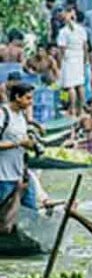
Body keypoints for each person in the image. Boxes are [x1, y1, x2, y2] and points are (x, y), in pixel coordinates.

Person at [0, 83, 42, 232]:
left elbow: (22, 140)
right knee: (3, 214)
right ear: (17, 97)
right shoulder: (2, 114)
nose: (31, 102)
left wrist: (30, 144)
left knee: (31, 211)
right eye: (28, 98)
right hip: (3, 176)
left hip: (20, 173)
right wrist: (18, 143)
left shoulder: (22, 116)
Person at [57, 7, 88, 117]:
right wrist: (85, 60)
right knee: (80, 84)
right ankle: (81, 109)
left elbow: (62, 50)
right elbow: (85, 47)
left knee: (70, 86)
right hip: (79, 57)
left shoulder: (63, 32)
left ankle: (73, 109)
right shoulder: (81, 30)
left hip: (69, 58)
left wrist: (59, 63)